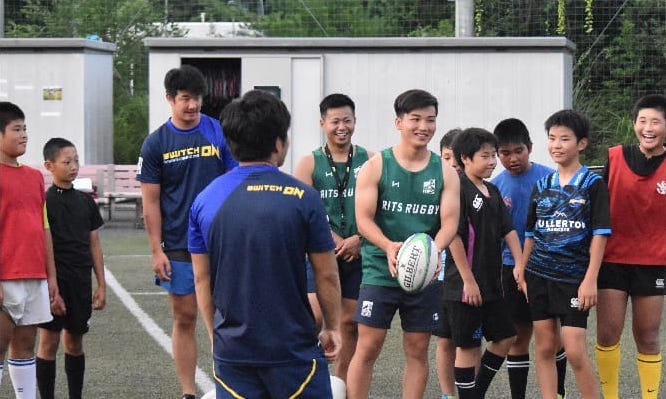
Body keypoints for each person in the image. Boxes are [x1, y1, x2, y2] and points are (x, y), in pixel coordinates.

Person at [188, 89, 342, 398]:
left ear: (231, 144)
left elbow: (202, 278)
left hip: (233, 352)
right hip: (294, 351)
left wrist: (213, 334)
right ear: (278, 143)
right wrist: (333, 327)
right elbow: (326, 274)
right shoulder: (304, 198)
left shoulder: (204, 201)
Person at [346, 89, 460, 399]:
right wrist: (388, 246)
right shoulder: (376, 165)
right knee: (367, 346)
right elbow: (363, 220)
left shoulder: (446, 172)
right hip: (380, 270)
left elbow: (450, 222)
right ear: (399, 122)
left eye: (430, 120)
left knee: (418, 348)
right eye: (416, 119)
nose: (424, 126)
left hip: (423, 274)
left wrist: (434, 249)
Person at [136, 65, 238, 399]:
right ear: (169, 99)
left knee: (226, 314)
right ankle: (188, 392)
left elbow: (236, 181)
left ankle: (230, 383)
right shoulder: (156, 144)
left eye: (196, 98)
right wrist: (156, 249)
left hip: (221, 240)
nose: (192, 106)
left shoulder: (218, 131)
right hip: (178, 243)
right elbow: (150, 201)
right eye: (184, 99)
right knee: (185, 316)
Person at [517, 109, 611, 399]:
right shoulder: (542, 185)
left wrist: (590, 279)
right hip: (538, 276)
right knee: (544, 347)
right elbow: (531, 233)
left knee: (573, 350)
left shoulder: (593, 185)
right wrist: (522, 268)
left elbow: (600, 234)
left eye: (564, 139)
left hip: (573, 280)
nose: (556, 145)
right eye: (552, 138)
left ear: (581, 144)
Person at [294, 93, 372, 382]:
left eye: (347, 120)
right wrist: (333, 239)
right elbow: (304, 213)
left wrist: (358, 241)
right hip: (320, 255)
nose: (342, 127)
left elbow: (381, 212)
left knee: (349, 324)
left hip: (358, 253)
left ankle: (339, 385)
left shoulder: (372, 160)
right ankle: (305, 378)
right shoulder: (308, 163)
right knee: (311, 319)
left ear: (355, 122)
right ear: (322, 123)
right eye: (335, 121)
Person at [595, 94, 666, 399]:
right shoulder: (613, 158)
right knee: (607, 335)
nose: (648, 127)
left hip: (654, 263)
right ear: (634, 123)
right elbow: (595, 210)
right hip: (612, 260)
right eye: (642, 121)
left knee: (648, 337)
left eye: (656, 122)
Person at [491, 118, 567, 399]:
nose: (512, 158)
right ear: (497, 153)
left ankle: (558, 392)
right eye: (505, 153)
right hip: (510, 269)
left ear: (531, 148)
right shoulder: (494, 187)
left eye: (518, 151)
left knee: (552, 337)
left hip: (547, 269)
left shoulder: (552, 179)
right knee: (517, 338)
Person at [443, 128, 521, 399]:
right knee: (467, 347)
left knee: (506, 337)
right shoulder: (457, 188)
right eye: (485, 156)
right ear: (465, 158)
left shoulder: (493, 190)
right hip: (464, 286)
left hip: (492, 284)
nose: (492, 161)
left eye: (493, 155)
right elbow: (453, 236)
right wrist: (468, 280)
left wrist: (520, 263)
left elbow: (508, 230)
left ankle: (476, 393)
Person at [0, 101, 65, 399]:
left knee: (25, 346)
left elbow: (45, 229)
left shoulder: (35, 176)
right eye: (16, 129)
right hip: (5, 276)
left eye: (25, 128)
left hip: (34, 275)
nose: (24, 134)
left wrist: (51, 278)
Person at [36, 138, 106, 399]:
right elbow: (43, 247)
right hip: (54, 283)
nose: (73, 166)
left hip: (80, 281)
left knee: (75, 342)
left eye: (76, 160)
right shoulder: (44, 202)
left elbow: (94, 245)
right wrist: (51, 289)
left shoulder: (86, 201)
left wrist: (101, 284)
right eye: (67, 162)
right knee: (49, 342)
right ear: (49, 165)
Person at [433, 128, 461, 399]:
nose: (453, 164)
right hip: (441, 277)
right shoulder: (434, 187)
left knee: (469, 342)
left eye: (458, 157)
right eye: (447, 156)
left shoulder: (481, 189)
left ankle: (469, 391)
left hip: (472, 279)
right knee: (445, 340)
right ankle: (447, 394)